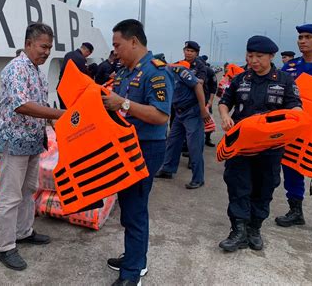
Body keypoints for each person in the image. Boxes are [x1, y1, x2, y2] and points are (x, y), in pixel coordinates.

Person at [102, 19, 174, 286]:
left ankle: (133, 273)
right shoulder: (125, 72)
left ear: (134, 42)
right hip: (125, 146)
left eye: (118, 45)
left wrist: (124, 103)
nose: (115, 51)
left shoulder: (156, 72)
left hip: (146, 148)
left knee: (135, 209)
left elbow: (160, 115)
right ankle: (134, 257)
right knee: (129, 206)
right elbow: (116, 107)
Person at [218, 35, 301, 252]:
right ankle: (238, 230)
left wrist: (295, 117)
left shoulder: (284, 80)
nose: (253, 60)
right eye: (250, 55)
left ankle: (254, 229)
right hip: (241, 146)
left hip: (271, 148)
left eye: (259, 56)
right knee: (238, 186)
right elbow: (225, 102)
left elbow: (296, 107)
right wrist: (225, 116)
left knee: (264, 188)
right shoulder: (240, 79)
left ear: (271, 56)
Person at [0, 23, 64, 271]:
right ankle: (5, 247)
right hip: (14, 142)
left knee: (28, 190)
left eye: (50, 48)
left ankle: (24, 232)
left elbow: (41, 108)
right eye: (43, 46)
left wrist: (58, 125)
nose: (47, 52)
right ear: (29, 43)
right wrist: (62, 114)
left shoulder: (36, 71)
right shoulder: (16, 69)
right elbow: (22, 105)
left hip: (33, 142)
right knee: (10, 196)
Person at [275, 24, 312, 227]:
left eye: (308, 36)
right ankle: (295, 211)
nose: (302, 40)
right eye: (300, 37)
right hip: (294, 128)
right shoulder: (290, 67)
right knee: (291, 167)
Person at [155, 61, 210, 188]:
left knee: (194, 146)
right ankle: (168, 169)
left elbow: (197, 86)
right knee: (172, 141)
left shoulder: (179, 71)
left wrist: (203, 109)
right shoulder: (158, 77)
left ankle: (198, 178)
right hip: (179, 113)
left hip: (192, 112)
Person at [58, 42, 94, 108]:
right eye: (88, 54)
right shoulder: (81, 59)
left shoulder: (68, 54)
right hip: (71, 92)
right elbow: (84, 77)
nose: (87, 56)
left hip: (61, 88)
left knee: (63, 112)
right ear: (87, 51)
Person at [200, 55, 217, 147]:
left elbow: (213, 87)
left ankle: (208, 138)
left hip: (206, 100)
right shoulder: (193, 70)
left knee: (208, 120)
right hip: (194, 101)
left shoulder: (209, 71)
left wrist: (210, 101)